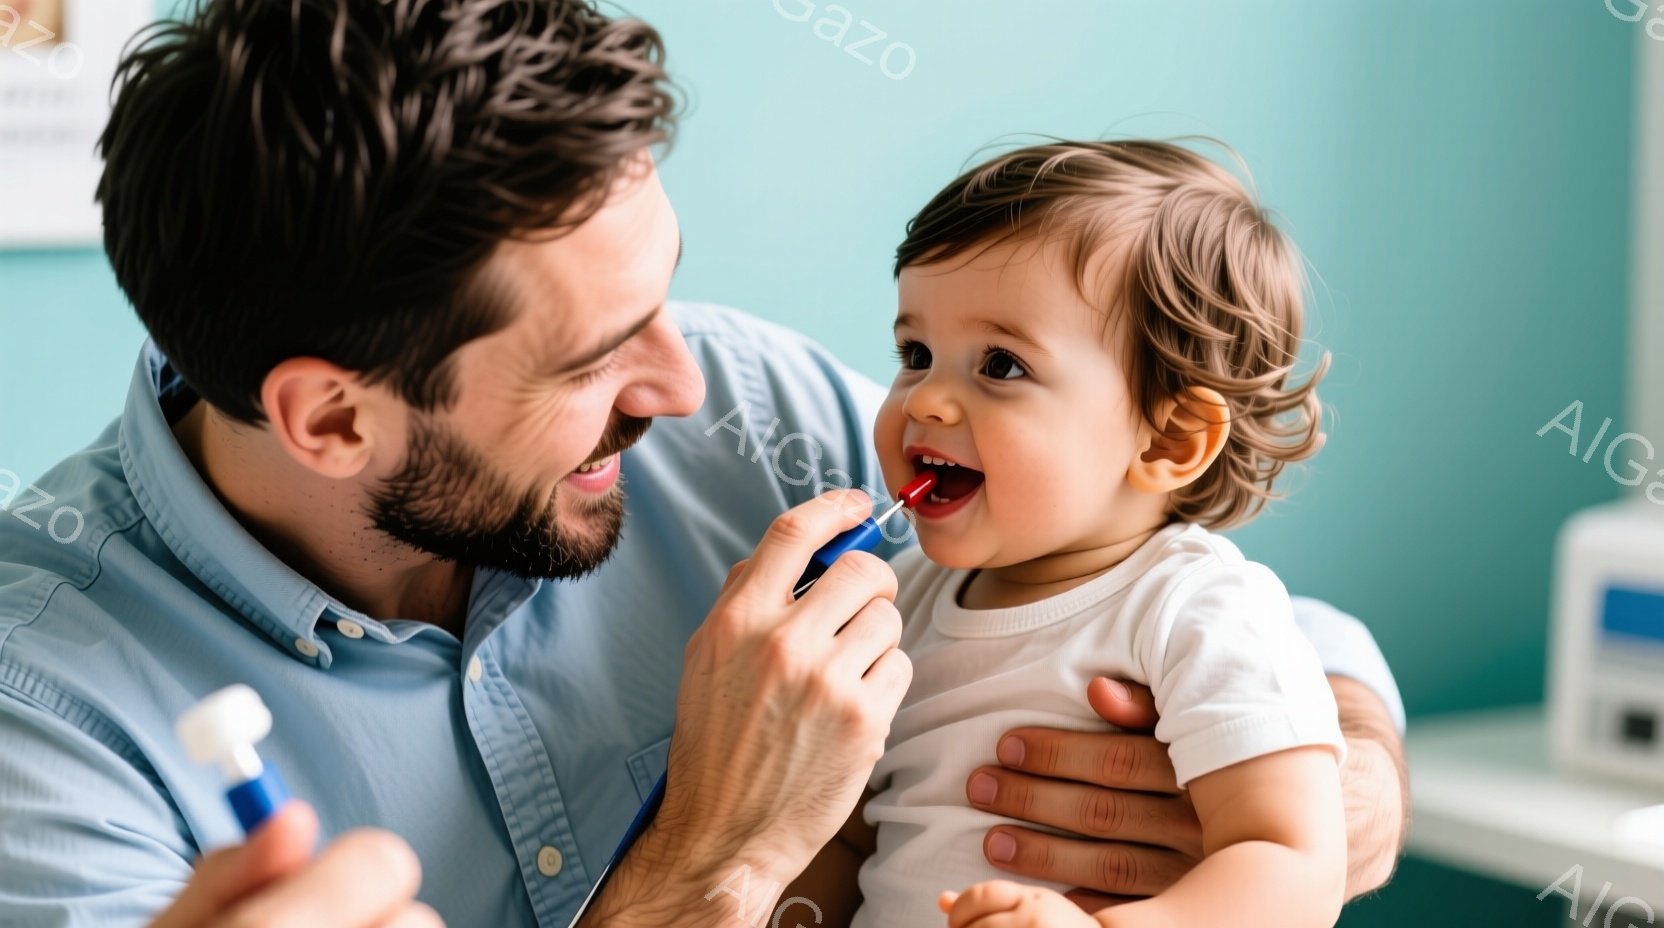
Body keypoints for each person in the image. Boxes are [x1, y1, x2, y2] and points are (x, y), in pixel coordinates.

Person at [0, 3, 1408, 926]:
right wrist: (715, 857)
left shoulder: (751, 412)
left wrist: (1325, 793)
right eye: (592, 358)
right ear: (329, 420)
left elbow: (1197, 594)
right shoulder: (48, 730)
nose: (681, 386)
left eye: (665, 293)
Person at [787, 140, 1357, 928]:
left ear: (1168, 441)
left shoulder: (1196, 608)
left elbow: (1294, 868)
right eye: (917, 354)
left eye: (1000, 365)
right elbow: (844, 837)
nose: (925, 401)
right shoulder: (900, 602)